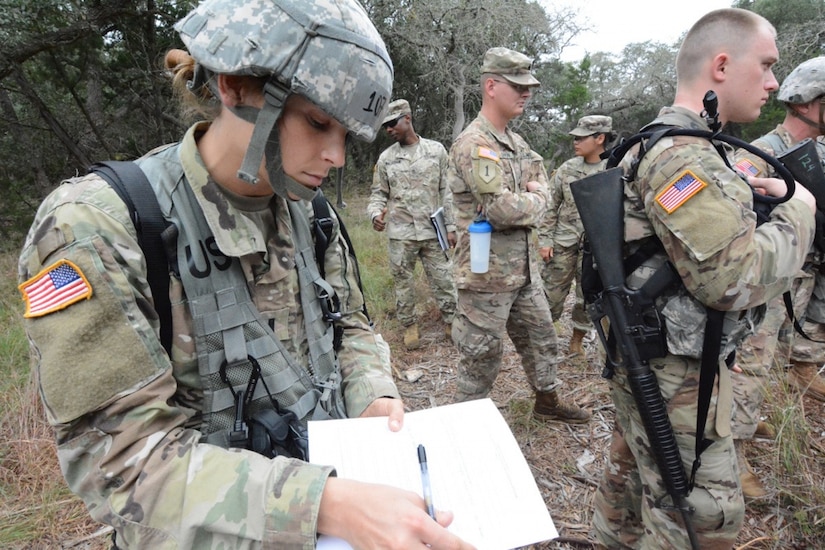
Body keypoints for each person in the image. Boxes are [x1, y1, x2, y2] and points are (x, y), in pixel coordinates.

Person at [16, 1, 475, 548]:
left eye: (348, 136)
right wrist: (323, 504)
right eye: (318, 122)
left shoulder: (311, 212)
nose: (334, 156)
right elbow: (121, 465)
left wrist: (373, 397)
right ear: (234, 86)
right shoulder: (98, 226)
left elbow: (348, 325)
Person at [590, 9, 816, 549]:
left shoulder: (673, 145)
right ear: (720, 65)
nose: (773, 83)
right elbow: (730, 280)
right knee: (703, 522)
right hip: (677, 374)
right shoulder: (681, 157)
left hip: (653, 357)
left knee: (631, 486)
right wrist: (798, 211)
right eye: (765, 66)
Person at [445, 46, 590, 424]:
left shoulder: (517, 142)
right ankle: (462, 426)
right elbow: (500, 209)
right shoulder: (475, 143)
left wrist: (531, 194)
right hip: (485, 277)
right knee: (481, 356)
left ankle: (547, 403)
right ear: (491, 86)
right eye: (517, 85)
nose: (526, 93)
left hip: (524, 272)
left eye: (529, 87)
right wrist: (538, 197)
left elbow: (541, 178)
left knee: (542, 339)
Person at [730, 55, 825, 499]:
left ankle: (747, 419)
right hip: (768, 281)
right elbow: (735, 218)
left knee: (775, 358)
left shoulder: (819, 151)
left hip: (804, 276)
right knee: (750, 362)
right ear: (808, 101)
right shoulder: (761, 153)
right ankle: (732, 449)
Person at [367, 98, 457, 350]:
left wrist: (451, 226)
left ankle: (452, 321)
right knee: (402, 283)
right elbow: (378, 193)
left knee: (444, 279)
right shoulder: (386, 158)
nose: (388, 130)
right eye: (385, 126)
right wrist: (375, 214)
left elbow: (447, 191)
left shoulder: (436, 151)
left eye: (392, 123)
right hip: (400, 232)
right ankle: (409, 326)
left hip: (432, 230)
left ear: (407, 118)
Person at [539, 115, 614, 359]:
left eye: (582, 137)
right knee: (550, 293)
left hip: (597, 248)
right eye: (575, 137)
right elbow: (550, 206)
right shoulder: (567, 168)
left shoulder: (614, 168)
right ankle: (544, 343)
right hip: (562, 244)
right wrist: (545, 240)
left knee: (587, 297)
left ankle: (576, 340)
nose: (576, 142)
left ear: (600, 138)